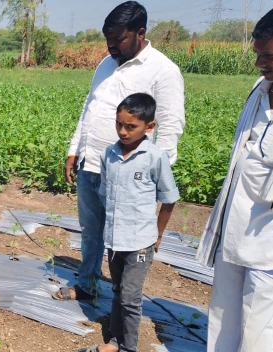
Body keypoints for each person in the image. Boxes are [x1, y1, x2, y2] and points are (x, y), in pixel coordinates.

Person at [191, 2, 273, 352]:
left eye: (270, 56)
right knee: (223, 316)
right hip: (234, 226)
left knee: (260, 330)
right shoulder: (259, 89)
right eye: (259, 55)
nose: (261, 63)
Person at [55, 1, 184, 301]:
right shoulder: (105, 64)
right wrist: (75, 149)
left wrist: (153, 176)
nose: (111, 45)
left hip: (129, 175)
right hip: (92, 164)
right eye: (108, 39)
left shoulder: (163, 71)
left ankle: (122, 300)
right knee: (91, 231)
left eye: (119, 39)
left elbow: (170, 127)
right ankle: (87, 282)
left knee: (124, 239)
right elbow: (90, 108)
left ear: (140, 33)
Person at [74, 93, 179, 352]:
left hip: (141, 241)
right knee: (119, 290)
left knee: (131, 297)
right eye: (119, 124)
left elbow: (169, 200)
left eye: (130, 126)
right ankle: (115, 340)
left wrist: (156, 235)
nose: (123, 131)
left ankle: (129, 349)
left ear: (149, 126)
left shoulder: (155, 157)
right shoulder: (108, 154)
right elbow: (107, 196)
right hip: (115, 239)